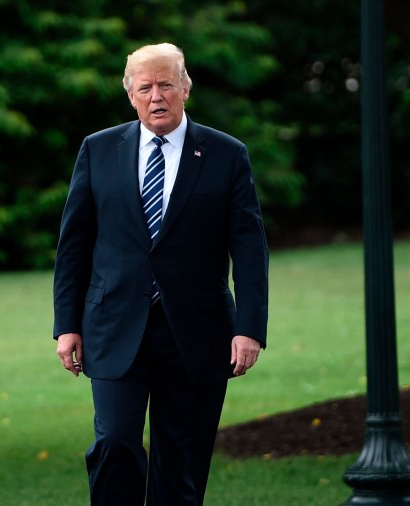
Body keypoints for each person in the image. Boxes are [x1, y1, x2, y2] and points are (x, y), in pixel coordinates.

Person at [52, 42, 269, 505]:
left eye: (166, 84)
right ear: (130, 95)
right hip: (113, 327)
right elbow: (74, 245)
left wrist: (248, 328)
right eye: (145, 87)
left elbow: (249, 249)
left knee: (182, 464)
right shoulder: (99, 149)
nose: (157, 96)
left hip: (197, 331)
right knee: (115, 443)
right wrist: (66, 325)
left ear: (185, 88)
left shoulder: (226, 154)